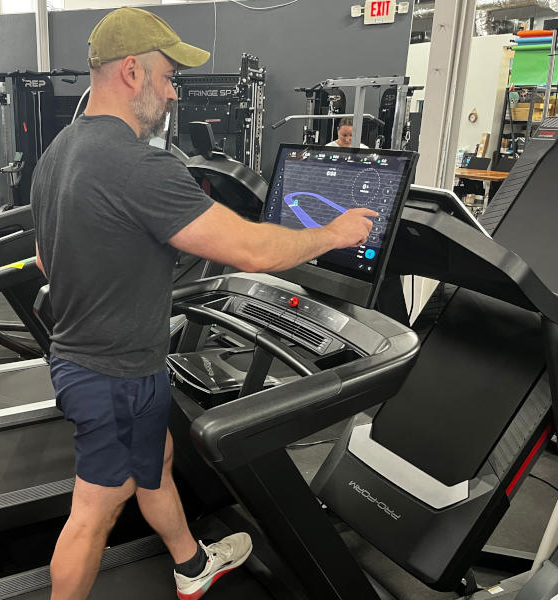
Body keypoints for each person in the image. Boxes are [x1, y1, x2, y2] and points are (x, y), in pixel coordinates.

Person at [31, 7, 377, 600]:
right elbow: (252, 250)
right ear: (132, 72)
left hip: (102, 363)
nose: (173, 94)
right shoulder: (138, 165)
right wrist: (335, 233)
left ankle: (191, 564)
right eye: (168, 78)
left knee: (157, 462)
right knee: (93, 513)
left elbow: (46, 257)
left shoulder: (60, 150)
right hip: (112, 375)